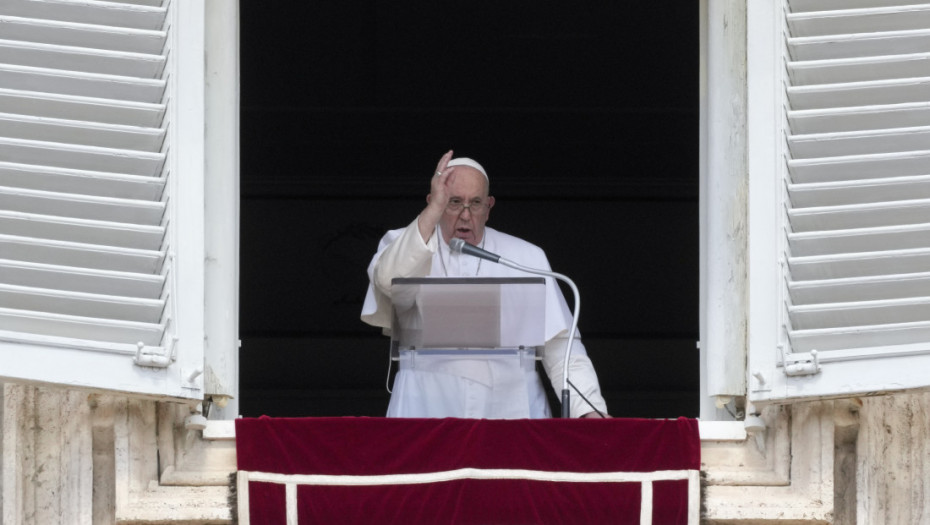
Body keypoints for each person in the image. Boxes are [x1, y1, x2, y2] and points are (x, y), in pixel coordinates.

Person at [361, 150, 609, 419]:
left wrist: (589, 412)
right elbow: (388, 281)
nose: (465, 215)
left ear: (489, 207)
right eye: (454, 202)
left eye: (475, 203)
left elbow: (561, 348)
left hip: (511, 408)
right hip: (425, 404)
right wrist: (433, 212)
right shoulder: (403, 243)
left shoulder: (525, 256)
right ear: (434, 201)